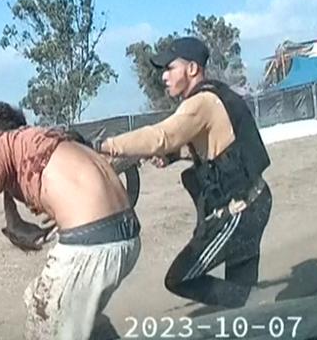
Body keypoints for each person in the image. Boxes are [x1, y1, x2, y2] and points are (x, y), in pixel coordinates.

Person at [0, 100, 140, 340]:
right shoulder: (45, 138)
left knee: (42, 321)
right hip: (125, 236)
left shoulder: (1, 145)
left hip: (91, 246)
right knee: (71, 314)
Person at [99, 37, 272, 310]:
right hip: (254, 200)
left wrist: (105, 146)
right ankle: (256, 309)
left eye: (170, 68)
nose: (164, 77)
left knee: (179, 278)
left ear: (192, 69)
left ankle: (263, 305)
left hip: (241, 211)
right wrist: (173, 156)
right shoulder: (215, 95)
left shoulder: (201, 102)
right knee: (240, 294)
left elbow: (160, 136)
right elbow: (217, 146)